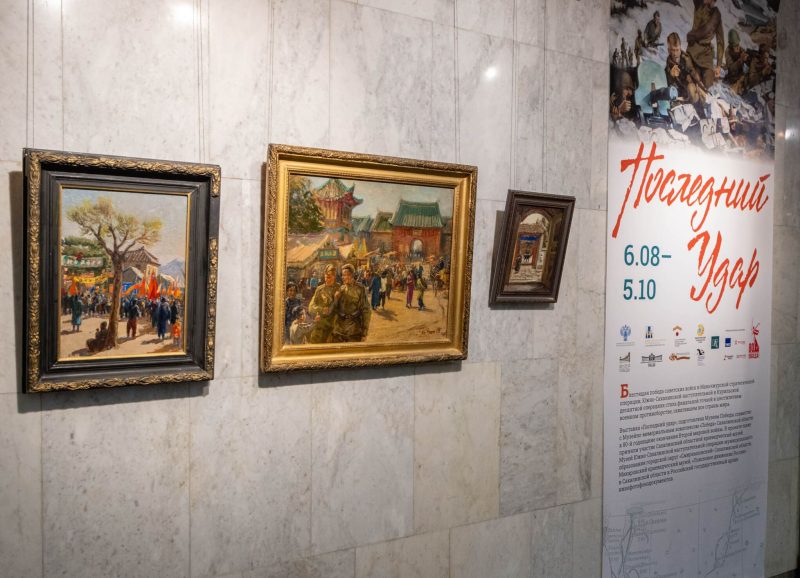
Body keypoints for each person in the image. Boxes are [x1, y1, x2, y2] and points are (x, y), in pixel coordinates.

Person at [686, 0, 724, 89]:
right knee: (691, 77)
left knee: (708, 83)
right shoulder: (699, 5)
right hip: (693, 50)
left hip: (706, 55)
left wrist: (718, 65)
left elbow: (720, 40)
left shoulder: (716, 15)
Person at [332, 263, 371, 342]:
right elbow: (335, 308)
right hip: (340, 331)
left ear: (352, 275)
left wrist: (364, 333)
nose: (344, 277)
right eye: (343, 275)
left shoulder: (360, 289)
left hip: (354, 330)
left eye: (347, 275)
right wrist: (335, 299)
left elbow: (366, 310)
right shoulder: (341, 289)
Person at [665, 32, 706, 105]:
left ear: (680, 48)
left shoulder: (686, 59)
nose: (675, 53)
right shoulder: (668, 65)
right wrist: (671, 75)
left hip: (691, 87)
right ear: (669, 50)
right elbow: (667, 84)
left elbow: (693, 72)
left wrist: (698, 83)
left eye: (677, 50)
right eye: (673, 50)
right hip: (679, 92)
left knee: (702, 96)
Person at [307, 264, 338, 344]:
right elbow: (311, 307)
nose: (327, 280)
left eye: (329, 277)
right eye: (326, 277)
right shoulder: (319, 289)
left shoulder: (339, 289)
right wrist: (321, 310)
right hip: (321, 323)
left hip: (334, 325)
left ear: (334, 277)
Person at [724, 28, 748, 93]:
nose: (738, 47)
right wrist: (740, 60)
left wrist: (746, 59)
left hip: (742, 73)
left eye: (738, 44)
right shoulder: (728, 51)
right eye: (735, 45)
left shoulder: (741, 49)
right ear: (731, 45)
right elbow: (731, 68)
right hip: (733, 75)